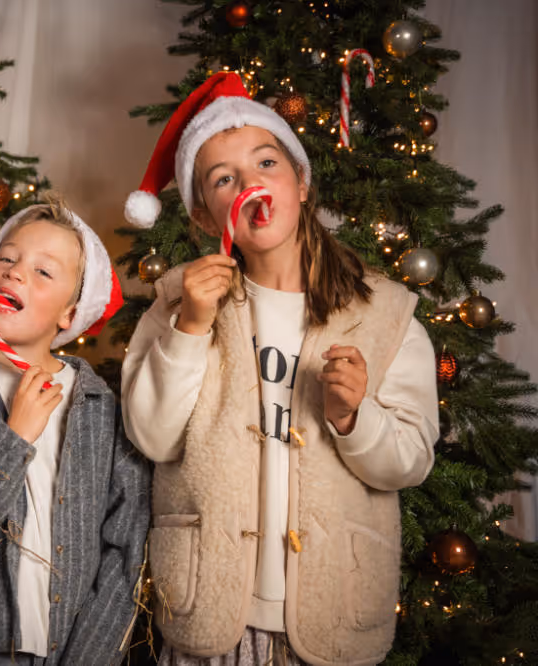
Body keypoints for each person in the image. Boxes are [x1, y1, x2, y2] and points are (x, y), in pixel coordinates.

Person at [121, 72, 438, 666]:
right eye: (224, 178)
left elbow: (411, 460)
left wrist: (352, 418)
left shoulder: (385, 315)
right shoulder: (176, 304)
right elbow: (154, 437)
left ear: (300, 181)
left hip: (332, 612)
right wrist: (190, 327)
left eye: (267, 162)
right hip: (209, 615)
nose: (249, 184)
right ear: (202, 213)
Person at [0, 198, 151, 665]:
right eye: (6, 258)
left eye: (43, 272)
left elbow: (128, 547)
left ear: (69, 313)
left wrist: (93, 654)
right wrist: (13, 437)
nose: (15, 273)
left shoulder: (102, 407)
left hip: (80, 650)